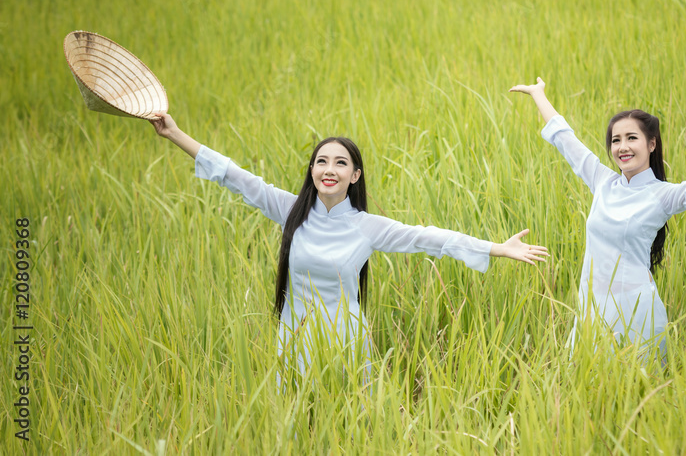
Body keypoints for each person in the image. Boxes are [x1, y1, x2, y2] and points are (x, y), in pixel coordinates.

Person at [150, 112, 548, 385]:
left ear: (354, 175)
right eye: (321, 161)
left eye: (340, 163)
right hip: (293, 336)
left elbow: (432, 237)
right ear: (312, 170)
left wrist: (497, 248)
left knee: (348, 421)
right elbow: (235, 176)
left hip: (345, 340)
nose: (329, 169)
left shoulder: (366, 227)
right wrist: (174, 133)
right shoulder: (291, 211)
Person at [509, 78, 686, 363]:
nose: (623, 147)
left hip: (636, 312)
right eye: (616, 140)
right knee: (589, 391)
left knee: (637, 391)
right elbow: (565, 139)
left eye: (632, 138)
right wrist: (538, 95)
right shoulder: (602, 182)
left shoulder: (662, 195)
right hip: (592, 310)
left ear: (652, 144)